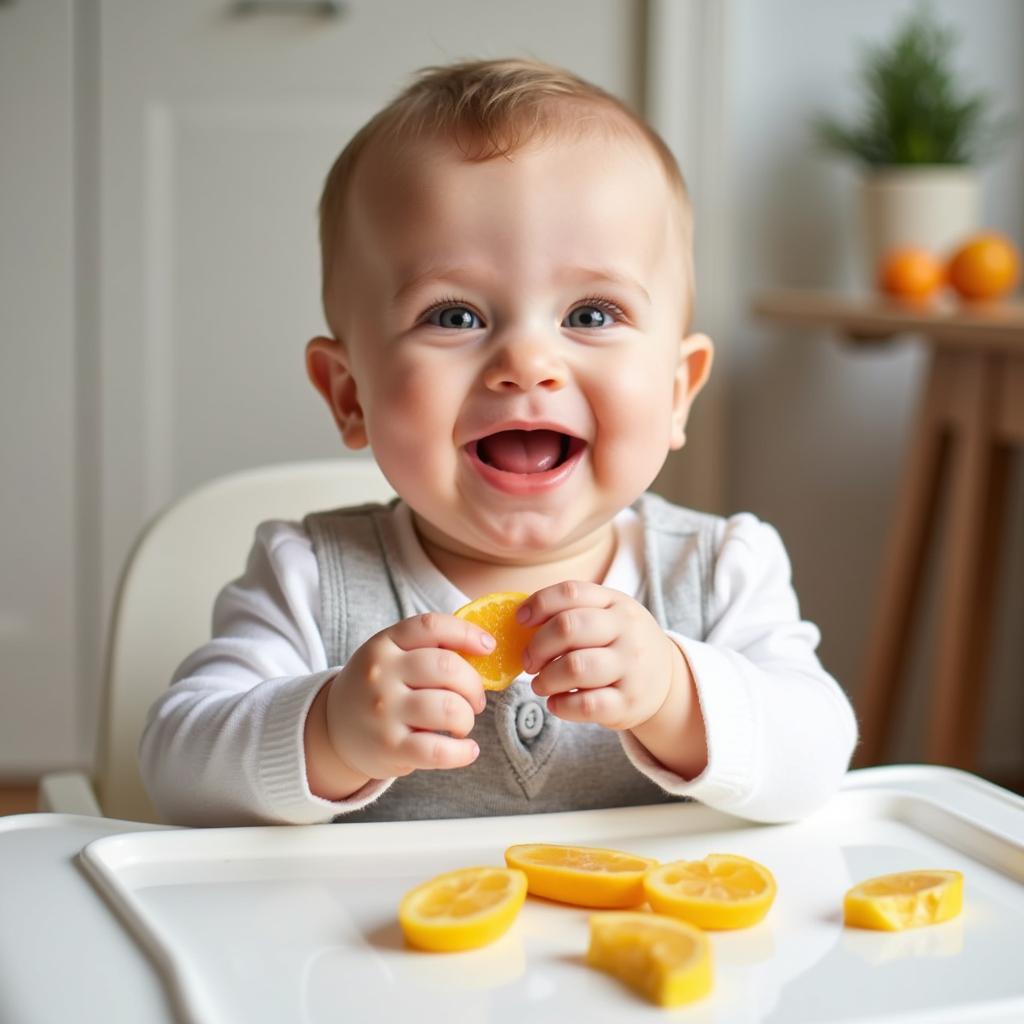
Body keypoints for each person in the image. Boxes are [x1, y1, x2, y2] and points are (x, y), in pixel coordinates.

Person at [140, 58, 857, 827]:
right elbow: (176, 764)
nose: (527, 364)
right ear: (350, 394)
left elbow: (818, 757)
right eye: (454, 316)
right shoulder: (310, 581)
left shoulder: (718, 575)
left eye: (590, 314)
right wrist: (329, 730)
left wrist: (678, 694)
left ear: (677, 391)